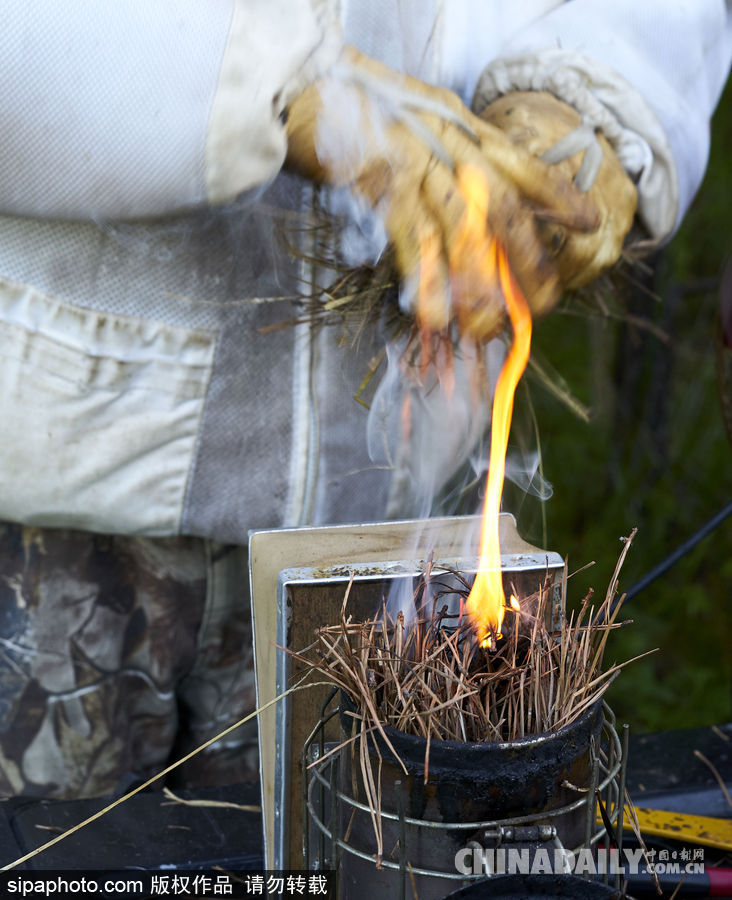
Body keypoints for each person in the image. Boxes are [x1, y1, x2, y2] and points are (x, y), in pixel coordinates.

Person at [0, 1, 729, 799]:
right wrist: (264, 81)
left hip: (383, 520)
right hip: (53, 500)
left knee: (353, 861)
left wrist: (583, 93)